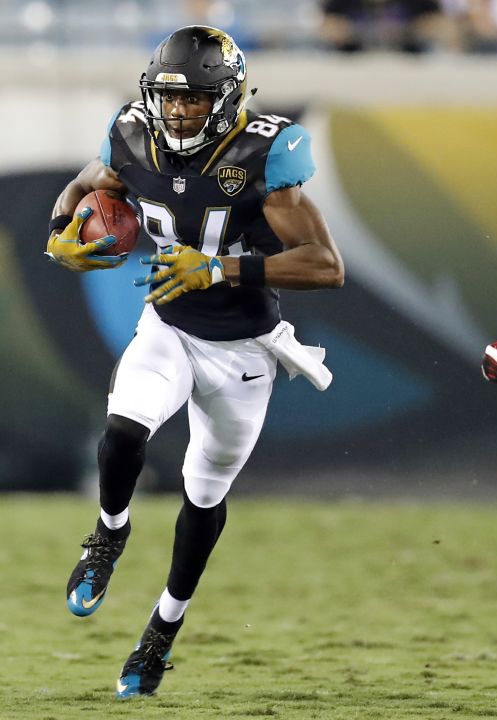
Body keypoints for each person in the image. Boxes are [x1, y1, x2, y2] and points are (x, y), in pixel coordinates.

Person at [43, 26, 345, 698]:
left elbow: (327, 267)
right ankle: (108, 534)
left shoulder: (265, 153)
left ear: (231, 98)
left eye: (198, 100)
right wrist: (62, 231)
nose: (180, 113)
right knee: (123, 430)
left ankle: (159, 634)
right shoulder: (129, 134)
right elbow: (85, 186)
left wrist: (219, 267)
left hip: (244, 350)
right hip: (170, 327)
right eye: (172, 99)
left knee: (203, 496)